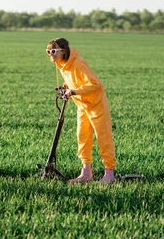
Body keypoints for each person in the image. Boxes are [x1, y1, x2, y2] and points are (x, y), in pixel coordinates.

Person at [47, 37, 117, 183]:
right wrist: (66, 87)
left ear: (63, 51)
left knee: (103, 138)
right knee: (82, 137)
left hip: (96, 105)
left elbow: (95, 84)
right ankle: (86, 173)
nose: (50, 54)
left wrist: (74, 91)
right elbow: (74, 79)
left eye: (53, 51)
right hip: (82, 105)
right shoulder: (62, 65)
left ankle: (109, 174)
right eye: (48, 51)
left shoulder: (78, 64)